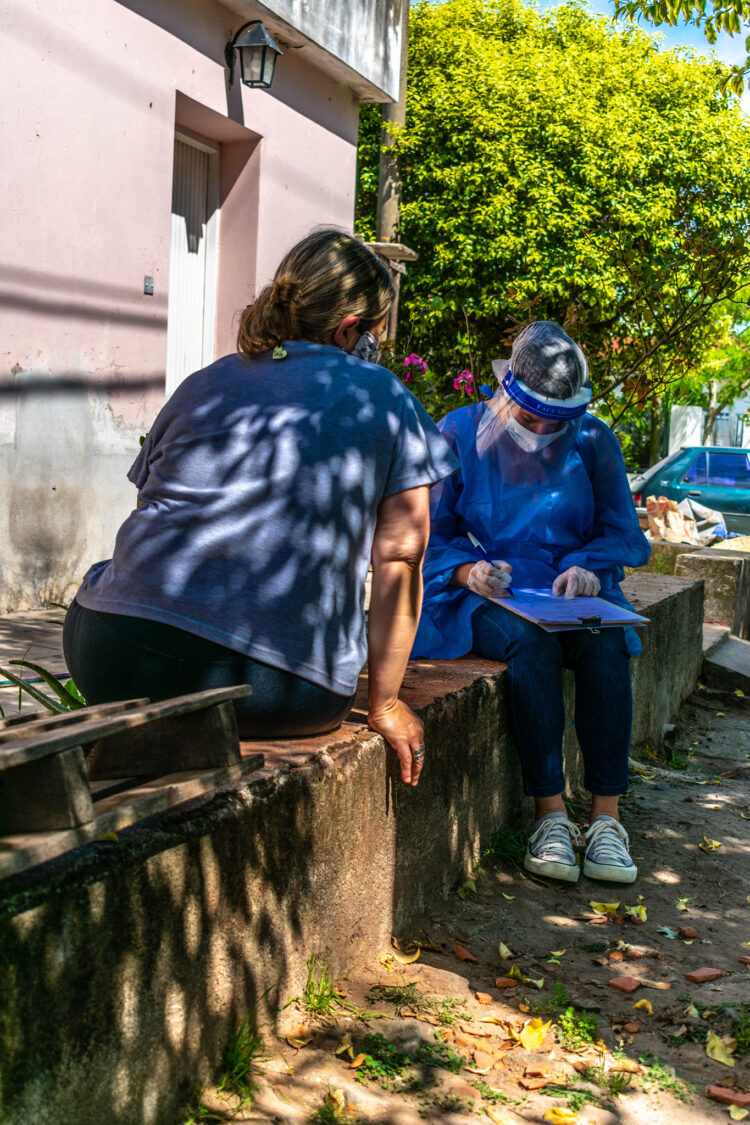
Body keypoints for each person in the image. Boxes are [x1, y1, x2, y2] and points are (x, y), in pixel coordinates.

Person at [63, 230, 458, 786]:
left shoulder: (205, 382)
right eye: (373, 331)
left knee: (105, 577)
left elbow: (154, 510)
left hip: (111, 656)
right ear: (350, 329)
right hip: (280, 689)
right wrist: (386, 704)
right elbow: (401, 557)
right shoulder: (385, 397)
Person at [412, 321, 650, 878]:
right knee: (531, 645)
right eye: (530, 416)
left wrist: (588, 566)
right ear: (506, 390)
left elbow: (623, 533)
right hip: (493, 595)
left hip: (573, 594)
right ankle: (550, 815)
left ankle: (607, 821)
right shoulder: (460, 433)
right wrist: (468, 570)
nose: (544, 428)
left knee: (607, 644)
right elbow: (425, 534)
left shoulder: (593, 441)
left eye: (557, 420)